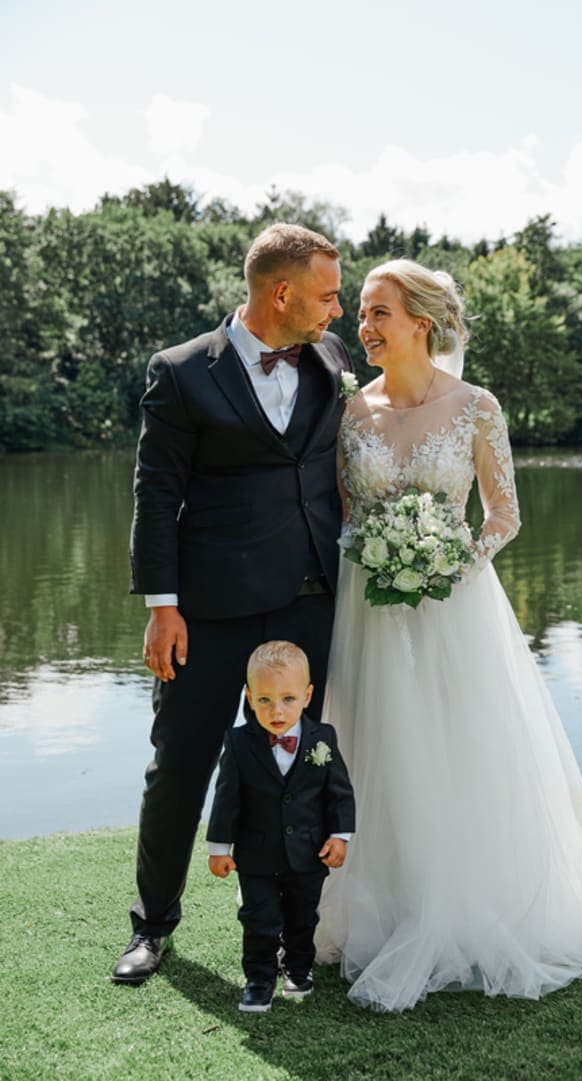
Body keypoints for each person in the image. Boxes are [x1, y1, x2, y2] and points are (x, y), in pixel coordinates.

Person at [315, 259, 582, 1012]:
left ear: (422, 321)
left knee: (460, 747)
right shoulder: (350, 412)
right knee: (376, 746)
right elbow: (345, 513)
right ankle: (382, 908)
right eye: (363, 312)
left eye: (379, 312)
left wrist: (449, 567)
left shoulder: (476, 406)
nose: (363, 326)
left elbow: (503, 515)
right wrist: (379, 556)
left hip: (455, 607)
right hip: (368, 610)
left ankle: (472, 904)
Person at [112, 224, 353, 985]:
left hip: (311, 602)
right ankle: (152, 924)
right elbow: (156, 495)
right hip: (209, 612)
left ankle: (293, 931)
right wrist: (163, 607)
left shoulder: (332, 359)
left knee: (304, 767)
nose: (338, 310)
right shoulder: (182, 371)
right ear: (281, 294)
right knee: (180, 766)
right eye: (326, 295)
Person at [207, 640, 355, 1012]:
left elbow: (339, 793)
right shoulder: (238, 743)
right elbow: (226, 800)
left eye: (288, 699)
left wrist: (339, 836)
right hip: (256, 856)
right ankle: (258, 980)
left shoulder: (323, 739)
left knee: (303, 917)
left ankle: (298, 970)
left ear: (307, 696)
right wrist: (219, 849)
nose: (277, 710)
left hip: (308, 852)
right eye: (265, 700)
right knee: (259, 919)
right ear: (249, 697)